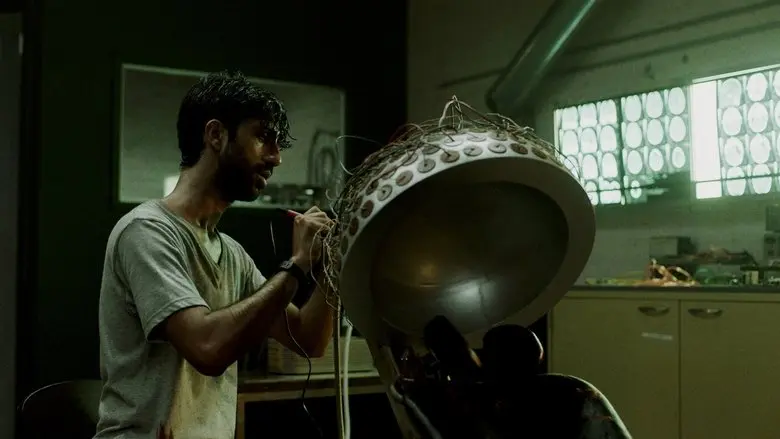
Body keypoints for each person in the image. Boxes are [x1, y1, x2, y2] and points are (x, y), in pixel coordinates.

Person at [94, 71, 335, 439]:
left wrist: (337, 263)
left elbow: (307, 338)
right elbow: (207, 348)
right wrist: (299, 264)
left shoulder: (232, 255)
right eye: (263, 137)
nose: (276, 158)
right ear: (216, 135)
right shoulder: (146, 231)